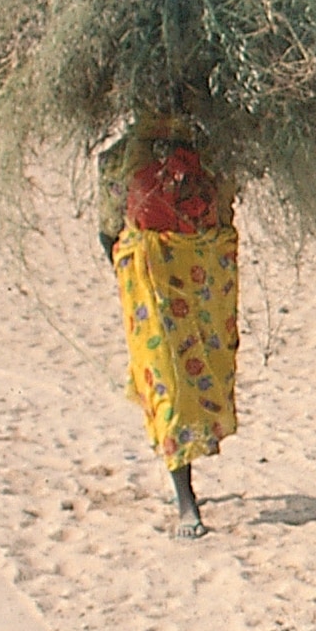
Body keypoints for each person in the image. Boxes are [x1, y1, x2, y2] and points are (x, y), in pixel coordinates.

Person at [97, 117, 239, 538]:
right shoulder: (123, 160)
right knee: (169, 383)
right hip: (153, 281)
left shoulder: (210, 155)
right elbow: (109, 231)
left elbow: (224, 217)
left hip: (201, 283)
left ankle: (186, 489)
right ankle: (185, 501)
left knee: (202, 376)